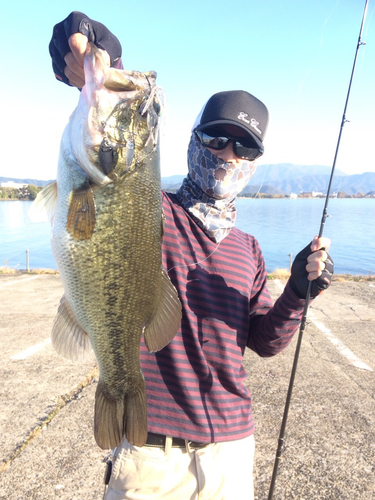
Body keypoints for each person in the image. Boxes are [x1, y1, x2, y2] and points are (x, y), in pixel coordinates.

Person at [49, 12, 334, 500]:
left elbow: (263, 341)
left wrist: (298, 294)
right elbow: (115, 167)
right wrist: (97, 58)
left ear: (254, 163)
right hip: (149, 457)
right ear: (193, 139)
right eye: (217, 138)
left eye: (244, 147)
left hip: (231, 454)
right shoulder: (153, 212)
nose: (228, 154)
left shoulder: (249, 249)